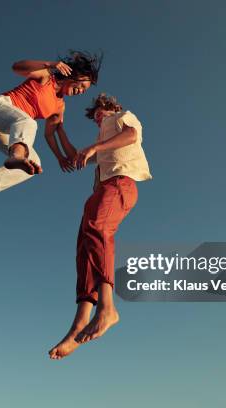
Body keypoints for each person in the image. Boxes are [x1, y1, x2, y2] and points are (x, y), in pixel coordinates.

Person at [49, 93, 152, 360]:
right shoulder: (101, 140)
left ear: (111, 108)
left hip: (121, 183)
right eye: (94, 116)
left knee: (97, 228)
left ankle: (108, 308)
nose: (97, 117)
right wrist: (60, 130)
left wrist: (96, 148)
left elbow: (131, 136)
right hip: (102, 190)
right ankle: (78, 324)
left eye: (99, 112)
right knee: (84, 248)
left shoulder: (122, 117)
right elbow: (75, 157)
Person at [0, 51, 102, 209]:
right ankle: (16, 156)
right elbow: (17, 67)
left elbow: (50, 133)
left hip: (3, 130)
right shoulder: (46, 76)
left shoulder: (60, 106)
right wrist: (50, 64)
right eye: (81, 86)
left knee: (33, 164)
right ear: (74, 75)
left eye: (84, 91)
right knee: (28, 122)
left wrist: (59, 157)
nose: (81, 91)